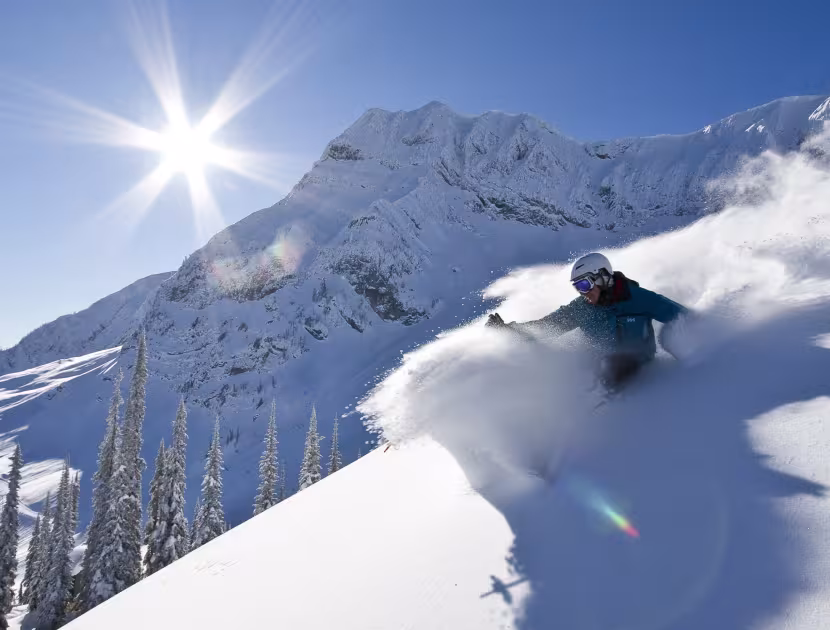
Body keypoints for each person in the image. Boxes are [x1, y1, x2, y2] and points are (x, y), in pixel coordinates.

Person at [486, 252, 689, 390]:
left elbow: (682, 317)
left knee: (615, 364)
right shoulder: (582, 308)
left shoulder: (637, 298)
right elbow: (546, 327)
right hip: (599, 371)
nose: (583, 292)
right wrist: (508, 329)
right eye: (577, 287)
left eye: (584, 284)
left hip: (640, 372)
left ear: (601, 277)